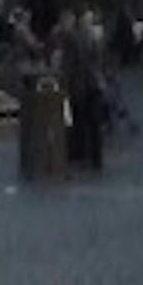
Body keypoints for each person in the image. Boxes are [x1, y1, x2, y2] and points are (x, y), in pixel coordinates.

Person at [52, 9, 105, 170]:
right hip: (92, 84)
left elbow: (69, 65)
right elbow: (98, 62)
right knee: (92, 122)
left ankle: (80, 155)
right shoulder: (93, 38)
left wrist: (65, 83)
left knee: (80, 121)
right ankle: (95, 157)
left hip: (80, 85)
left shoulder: (72, 38)